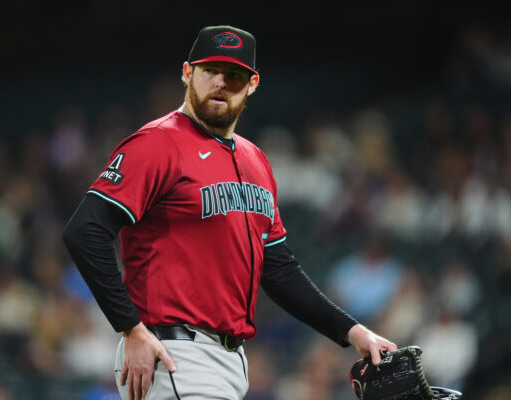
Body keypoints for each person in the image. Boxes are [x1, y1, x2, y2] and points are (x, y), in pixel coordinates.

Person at [63, 25, 396, 400]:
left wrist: (353, 332)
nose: (221, 82)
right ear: (188, 73)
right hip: (174, 354)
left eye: (234, 75)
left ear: (252, 84)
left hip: (230, 362)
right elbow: (85, 230)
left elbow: (279, 269)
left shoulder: (256, 160)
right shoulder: (158, 143)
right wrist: (131, 329)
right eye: (210, 71)